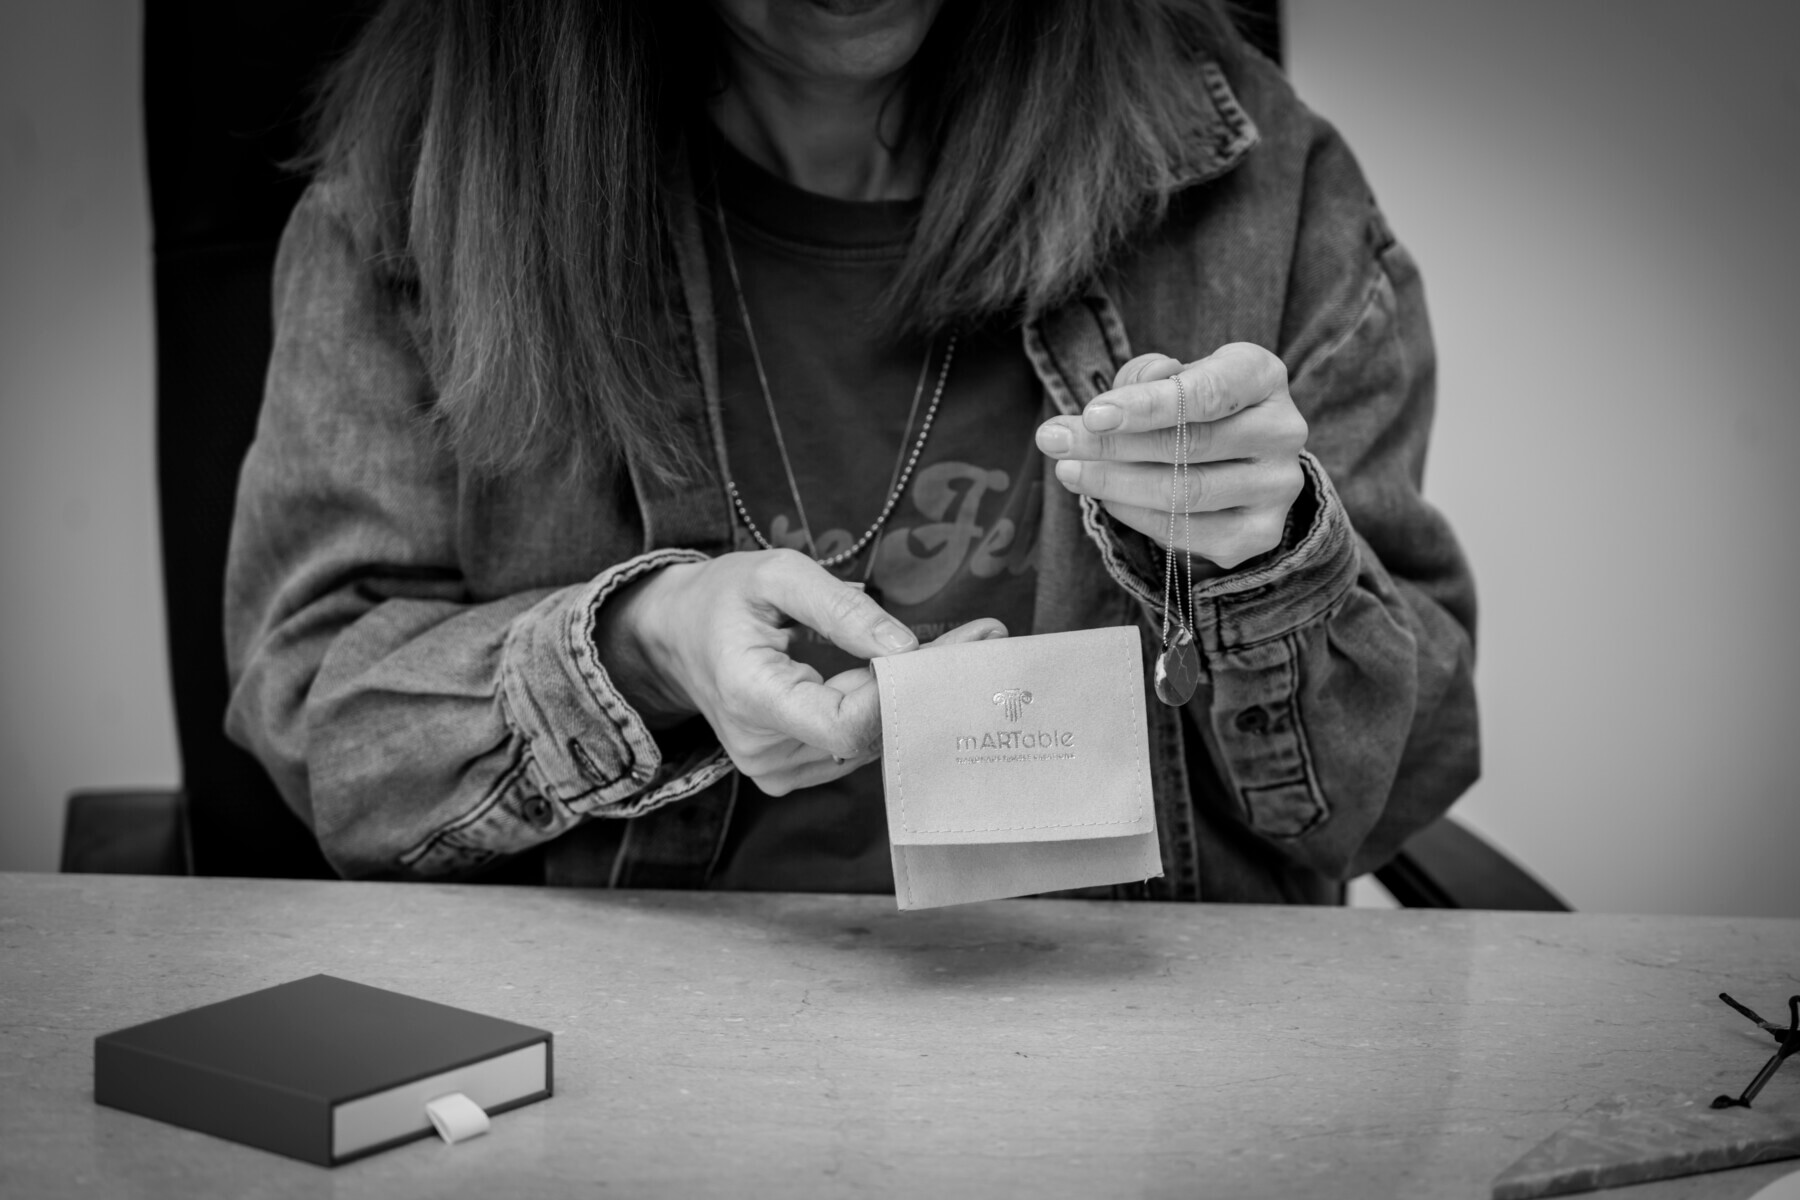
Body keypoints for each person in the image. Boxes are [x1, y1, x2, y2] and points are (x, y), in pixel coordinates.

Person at [224, 0, 1478, 903]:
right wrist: (640, 647)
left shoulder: (1253, 180)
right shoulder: (422, 196)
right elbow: (326, 727)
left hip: (1143, 1052)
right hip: (634, 1049)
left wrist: (1273, 564)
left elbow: (1408, 769)